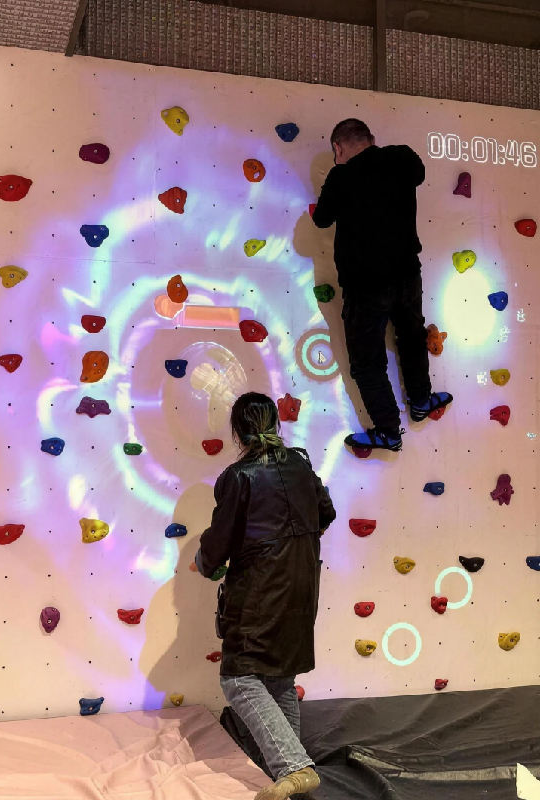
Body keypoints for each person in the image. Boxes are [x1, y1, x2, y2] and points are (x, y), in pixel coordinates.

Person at [191, 392, 336, 800]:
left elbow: (218, 544)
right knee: (279, 677)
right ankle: (293, 777)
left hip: (261, 592)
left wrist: (203, 561)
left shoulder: (239, 477)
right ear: (275, 424)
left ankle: (294, 766)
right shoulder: (301, 465)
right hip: (303, 585)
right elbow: (326, 514)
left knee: (239, 678)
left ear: (237, 432)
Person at [311, 118, 452, 453]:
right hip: (406, 274)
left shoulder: (341, 176)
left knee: (367, 360)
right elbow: (419, 172)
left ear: (338, 148)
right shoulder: (401, 157)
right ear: (371, 139)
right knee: (412, 337)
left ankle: (389, 430)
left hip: (365, 285)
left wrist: (342, 178)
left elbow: (322, 219)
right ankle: (420, 401)